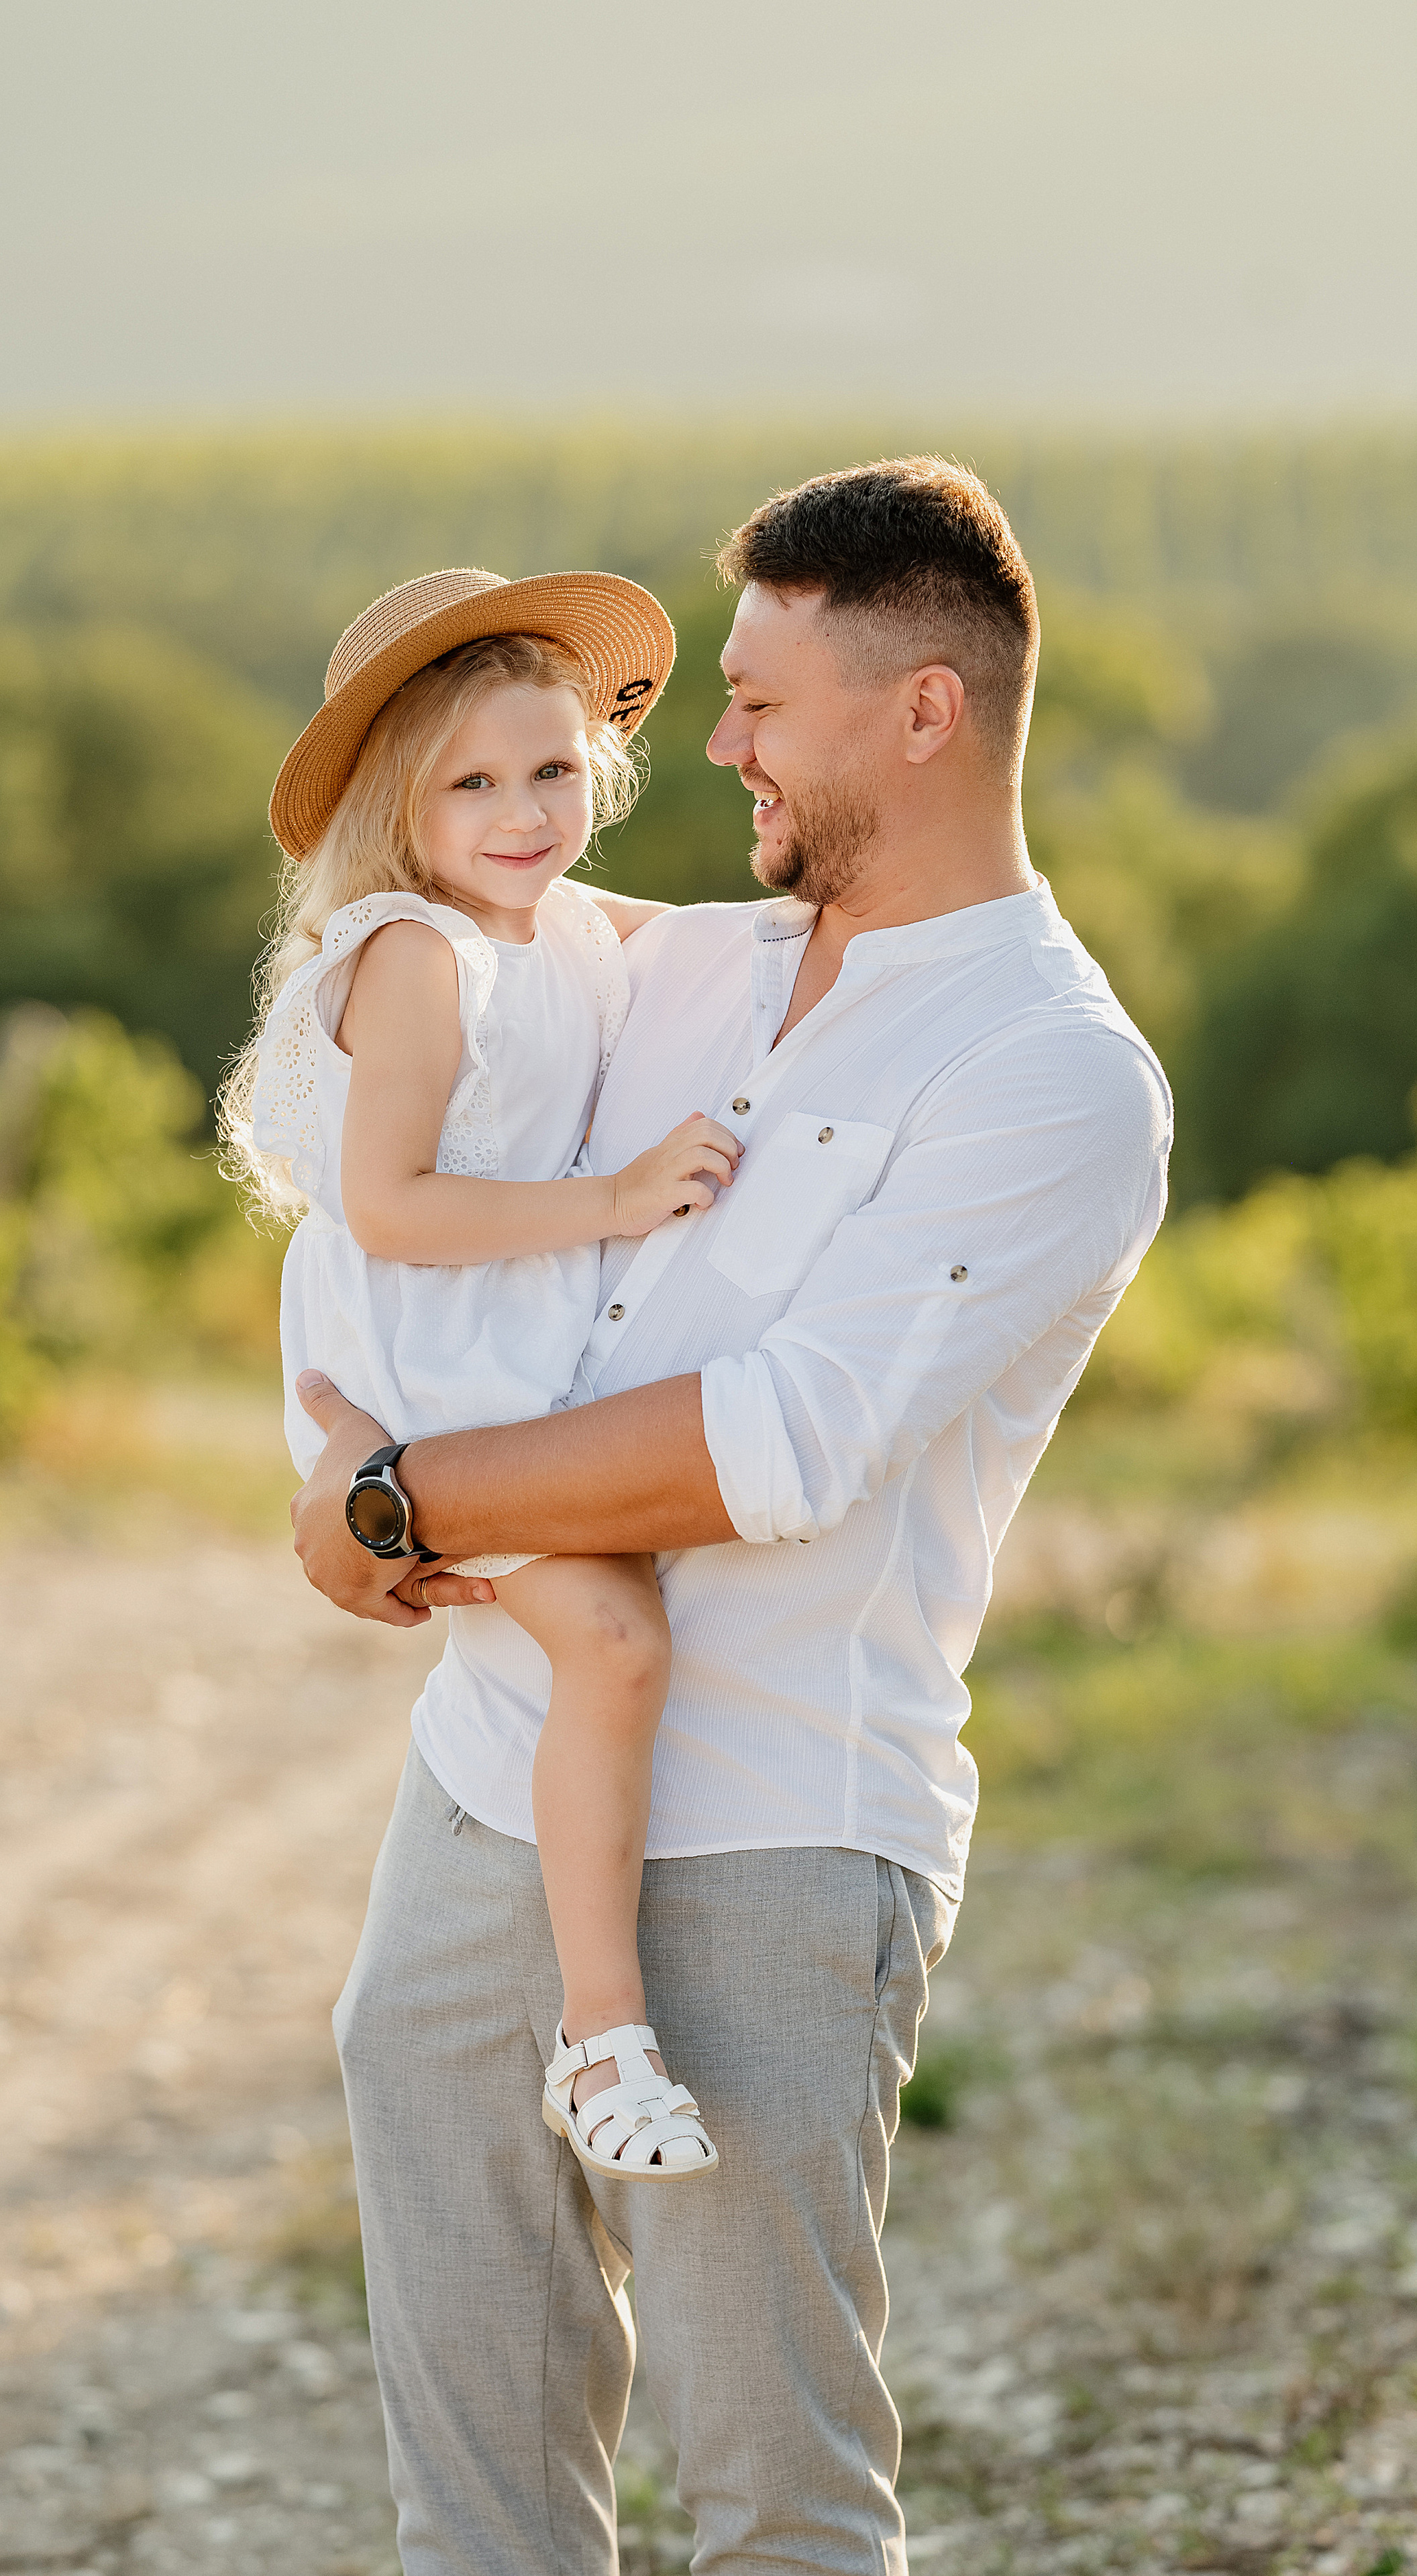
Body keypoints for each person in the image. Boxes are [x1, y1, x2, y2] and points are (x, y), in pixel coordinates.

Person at [288, 458, 1175, 2576]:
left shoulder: (1052, 1073)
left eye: (761, 702)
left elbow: (777, 1445)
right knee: (476, 2498)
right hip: (483, 1784)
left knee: (776, 2501)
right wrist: (337, 1442)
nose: (713, 747)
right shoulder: (676, 964)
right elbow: (409, 1169)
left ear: (923, 713)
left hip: (776, 1831)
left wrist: (394, 1500)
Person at [223, 568, 745, 2184]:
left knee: (609, 1634)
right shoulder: (414, 955)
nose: (522, 814)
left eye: (552, 769)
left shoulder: (563, 923)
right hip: (426, 1349)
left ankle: (589, 2021)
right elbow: (386, 1206)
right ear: (397, 801)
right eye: (470, 784)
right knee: (612, 1637)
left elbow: (743, 946)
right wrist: (616, 1200)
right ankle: (600, 2040)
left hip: (503, 1340)